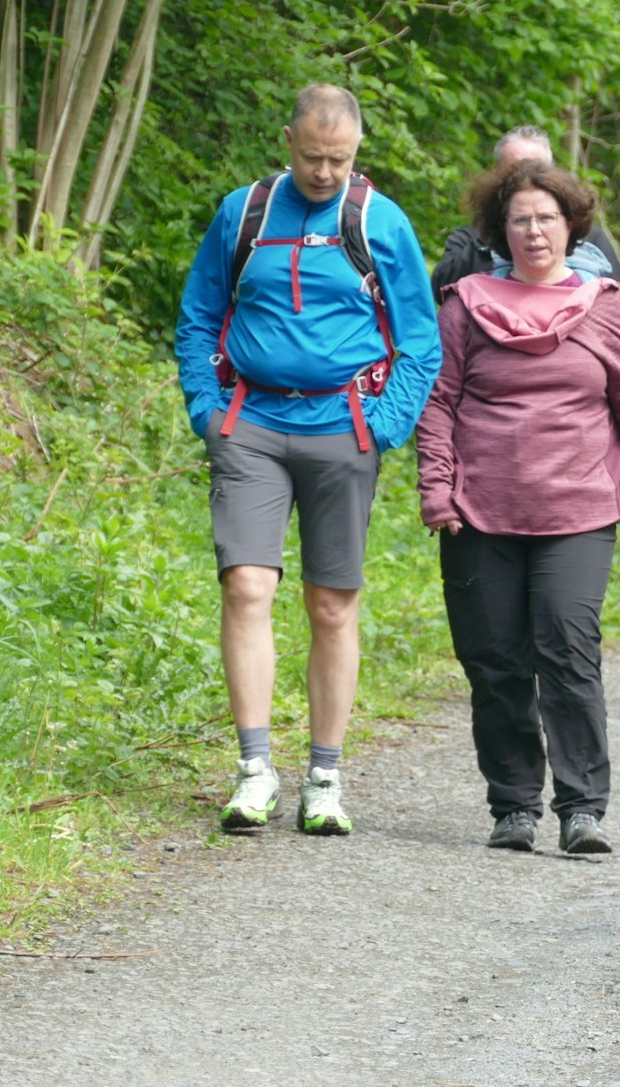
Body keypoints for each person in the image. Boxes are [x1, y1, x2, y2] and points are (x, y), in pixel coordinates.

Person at [176, 84, 443, 836]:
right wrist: (209, 412)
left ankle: (324, 776)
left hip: (342, 428)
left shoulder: (378, 222)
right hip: (251, 422)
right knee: (247, 586)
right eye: (313, 156)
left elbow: (421, 342)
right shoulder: (246, 212)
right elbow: (198, 317)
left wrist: (381, 426)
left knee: (332, 606)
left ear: (357, 150)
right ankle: (255, 769)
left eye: (340, 159)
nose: (325, 172)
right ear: (287, 139)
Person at [417, 159, 620, 854]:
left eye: (546, 217)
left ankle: (582, 807)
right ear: (498, 230)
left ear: (572, 225)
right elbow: (439, 402)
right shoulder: (463, 303)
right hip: (479, 510)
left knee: (568, 648)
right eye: (519, 219)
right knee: (495, 659)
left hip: (578, 510)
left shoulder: (606, 304)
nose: (534, 230)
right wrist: (437, 486)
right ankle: (513, 804)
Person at [431, 125, 620, 299]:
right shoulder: (470, 238)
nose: (527, 178)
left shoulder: (588, 235)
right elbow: (442, 291)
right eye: (515, 170)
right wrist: (491, 235)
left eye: (537, 168)